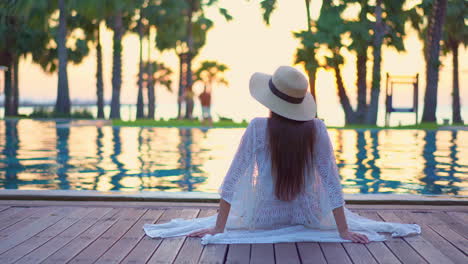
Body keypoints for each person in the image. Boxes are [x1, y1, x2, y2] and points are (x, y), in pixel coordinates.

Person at [144, 66, 421, 244]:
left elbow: (231, 182)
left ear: (271, 100)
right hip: (307, 217)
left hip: (264, 219)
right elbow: (331, 183)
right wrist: (343, 231)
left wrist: (219, 227)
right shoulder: (317, 129)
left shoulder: (257, 128)